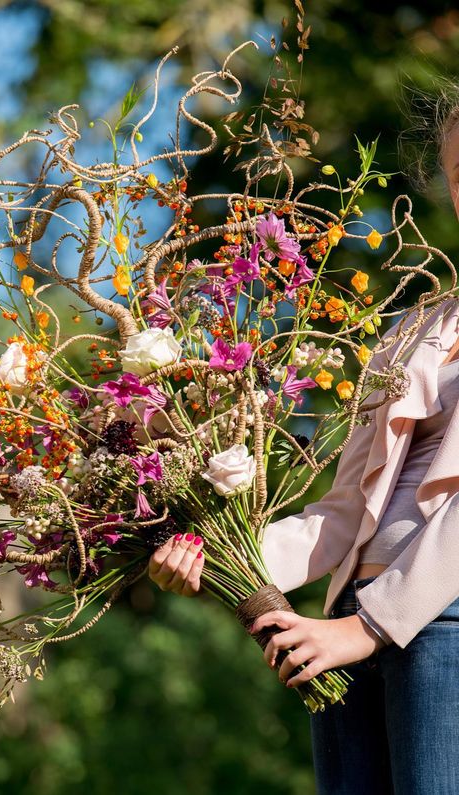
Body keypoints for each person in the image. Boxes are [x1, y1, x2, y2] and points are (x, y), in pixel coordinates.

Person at [148, 104, 459, 795]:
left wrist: (370, 628)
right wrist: (217, 558)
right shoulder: (414, 332)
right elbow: (347, 507)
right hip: (347, 623)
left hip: (438, 626)